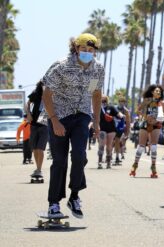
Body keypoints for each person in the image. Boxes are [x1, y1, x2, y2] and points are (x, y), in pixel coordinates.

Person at [42, 33, 104, 218]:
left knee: (79, 156)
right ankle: (54, 203)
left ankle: (74, 196)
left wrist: (97, 121)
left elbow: (95, 94)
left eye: (91, 50)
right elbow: (47, 93)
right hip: (59, 116)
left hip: (82, 116)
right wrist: (54, 121)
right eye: (83, 49)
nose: (87, 53)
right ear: (76, 48)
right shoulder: (61, 66)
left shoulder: (97, 69)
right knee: (59, 162)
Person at [129, 85, 164, 178]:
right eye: (156, 91)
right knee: (141, 146)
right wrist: (145, 117)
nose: (158, 93)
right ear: (152, 92)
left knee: (154, 146)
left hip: (156, 124)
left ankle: (153, 167)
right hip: (145, 123)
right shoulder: (147, 101)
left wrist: (159, 118)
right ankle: (135, 165)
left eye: (159, 92)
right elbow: (138, 110)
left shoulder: (162, 103)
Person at [26, 80, 49, 178]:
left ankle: (39, 169)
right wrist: (28, 114)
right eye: (43, 85)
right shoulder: (36, 94)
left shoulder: (51, 95)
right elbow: (27, 104)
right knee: (34, 149)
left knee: (40, 148)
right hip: (34, 124)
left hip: (44, 125)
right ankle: (37, 168)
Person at [98, 95, 125, 169]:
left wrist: (121, 115)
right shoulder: (98, 108)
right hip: (102, 129)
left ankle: (108, 162)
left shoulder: (111, 107)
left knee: (109, 146)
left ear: (107, 100)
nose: (103, 102)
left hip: (111, 129)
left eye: (105, 100)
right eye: (102, 100)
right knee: (101, 145)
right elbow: (94, 117)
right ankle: (100, 162)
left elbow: (118, 114)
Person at [113, 97, 130, 164]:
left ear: (125, 102)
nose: (121, 102)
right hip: (113, 127)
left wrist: (128, 132)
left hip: (120, 128)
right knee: (112, 142)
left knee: (118, 142)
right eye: (120, 101)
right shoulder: (115, 108)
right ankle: (110, 156)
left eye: (123, 101)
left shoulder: (126, 111)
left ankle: (117, 157)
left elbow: (128, 122)